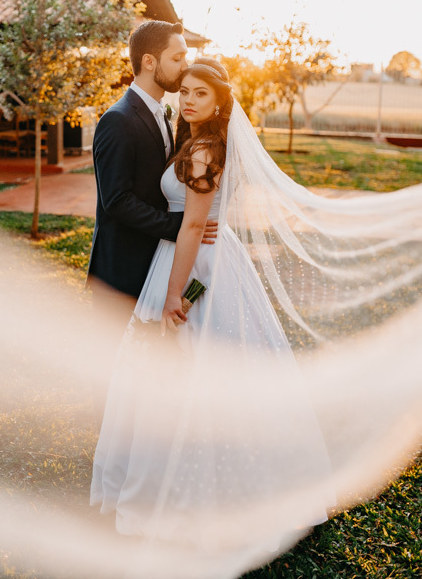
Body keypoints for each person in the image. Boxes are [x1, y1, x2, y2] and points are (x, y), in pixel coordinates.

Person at [90, 59, 336, 552]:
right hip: (202, 258)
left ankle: (191, 496)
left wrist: (175, 295)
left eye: (200, 93)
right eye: (184, 91)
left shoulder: (202, 151)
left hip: (195, 266)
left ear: (220, 101)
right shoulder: (201, 143)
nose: (188, 99)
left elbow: (188, 228)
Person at [86, 21, 217, 412]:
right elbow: (117, 201)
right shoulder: (118, 119)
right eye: (177, 58)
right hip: (120, 269)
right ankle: (110, 451)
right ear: (149, 61)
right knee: (112, 369)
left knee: (146, 365)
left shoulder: (167, 114)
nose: (183, 66)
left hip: (156, 264)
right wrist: (181, 228)